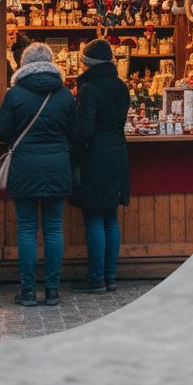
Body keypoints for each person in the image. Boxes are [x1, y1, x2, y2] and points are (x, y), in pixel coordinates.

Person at [0, 43, 76, 307]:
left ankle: (27, 291)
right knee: (53, 229)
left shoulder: (15, 94)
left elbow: (2, 132)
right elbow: (74, 132)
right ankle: (52, 290)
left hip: (25, 167)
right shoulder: (64, 95)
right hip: (57, 166)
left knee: (27, 230)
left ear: (24, 65)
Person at [70, 39, 131, 294]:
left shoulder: (88, 90)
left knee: (94, 216)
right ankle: (110, 277)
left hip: (95, 156)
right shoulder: (121, 87)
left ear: (88, 64)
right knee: (110, 217)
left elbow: (84, 130)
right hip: (118, 152)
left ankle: (96, 279)